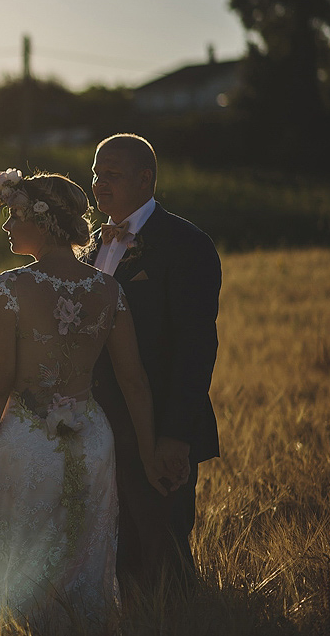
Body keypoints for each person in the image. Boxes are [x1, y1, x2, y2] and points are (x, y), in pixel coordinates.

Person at [0, 169, 165, 634]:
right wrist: (149, 453)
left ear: (45, 221)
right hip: (92, 440)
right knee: (82, 561)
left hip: (27, 442)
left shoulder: (9, 288)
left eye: (14, 215)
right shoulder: (109, 290)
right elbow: (134, 382)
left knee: (18, 567)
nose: (6, 226)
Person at [87, 133, 221, 593]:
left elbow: (196, 347)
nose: (100, 184)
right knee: (115, 553)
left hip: (159, 424)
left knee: (164, 553)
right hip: (98, 427)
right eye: (96, 174)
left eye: (113, 175)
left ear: (146, 179)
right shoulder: (90, 247)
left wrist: (175, 435)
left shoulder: (185, 243)